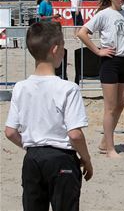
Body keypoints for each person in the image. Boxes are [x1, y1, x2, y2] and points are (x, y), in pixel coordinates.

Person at [4, 22, 93, 210]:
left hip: (32, 158)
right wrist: (86, 158)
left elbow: (10, 132)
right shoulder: (68, 88)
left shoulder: (20, 87)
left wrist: (34, 145)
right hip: (62, 157)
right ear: (55, 50)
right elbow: (75, 134)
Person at [77, 0, 124, 159]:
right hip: (109, 61)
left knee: (120, 104)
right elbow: (82, 33)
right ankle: (110, 148)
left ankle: (105, 141)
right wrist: (98, 51)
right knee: (110, 107)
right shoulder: (104, 14)